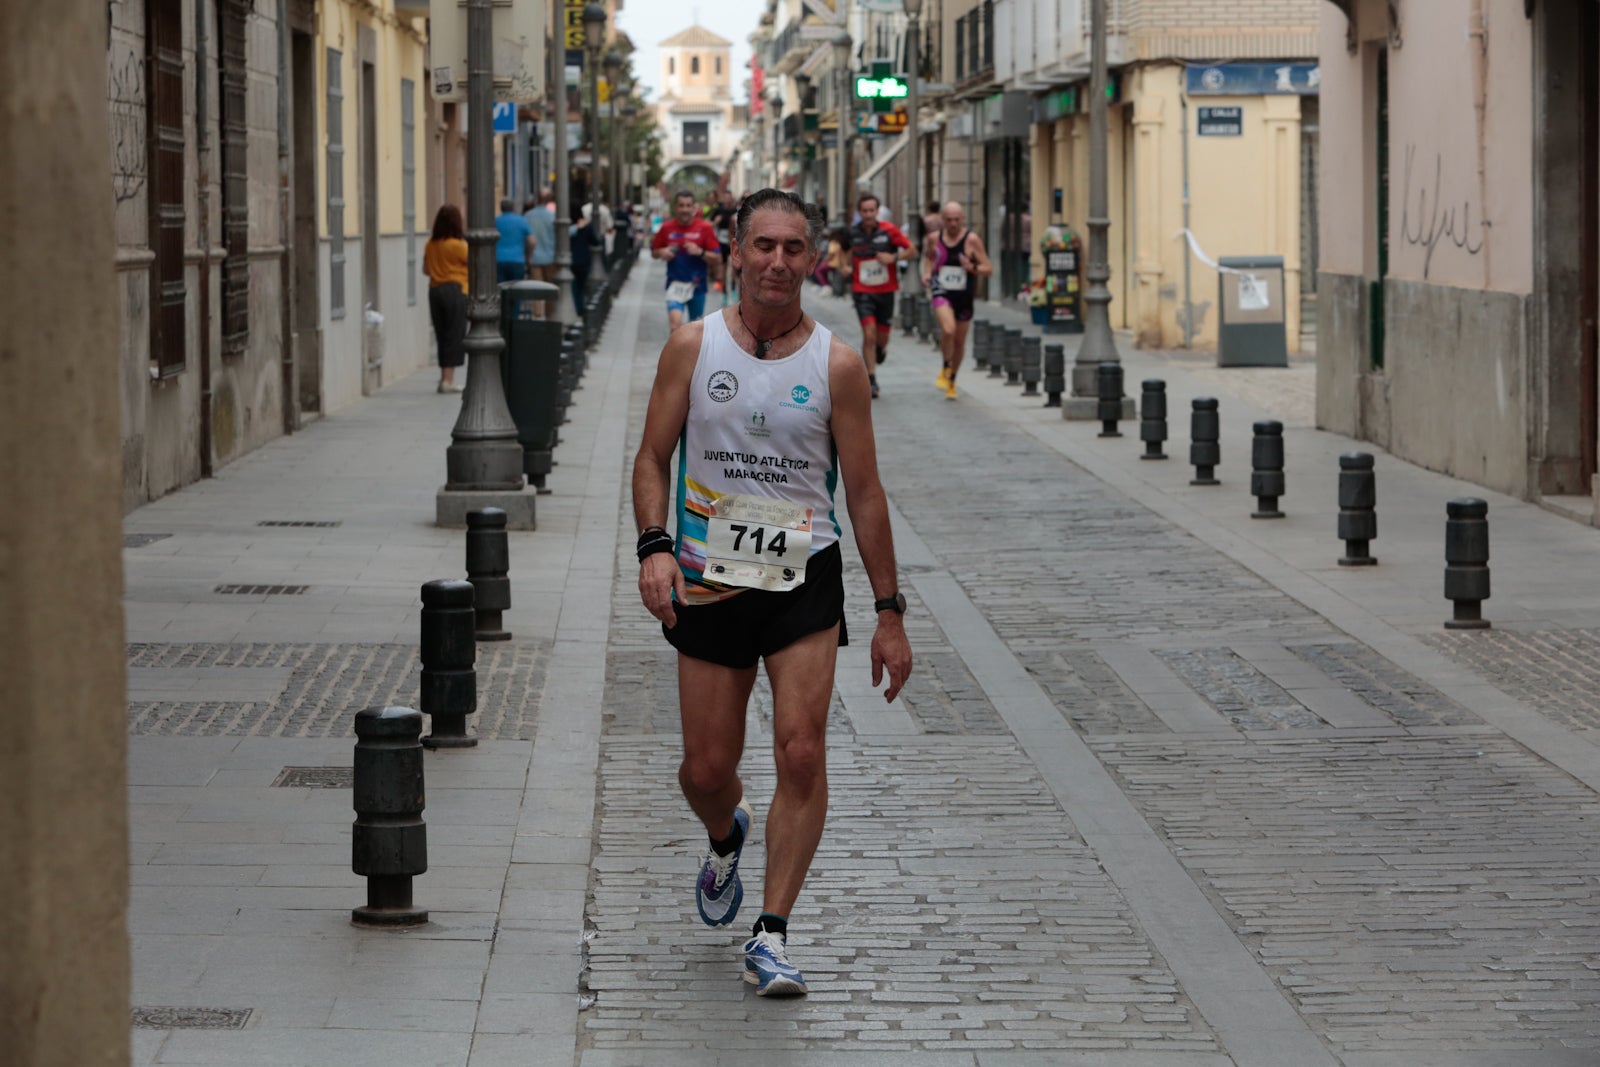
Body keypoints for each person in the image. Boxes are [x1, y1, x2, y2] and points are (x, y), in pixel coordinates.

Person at [632, 187, 913, 998]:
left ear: (813, 260)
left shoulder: (836, 365)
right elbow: (652, 457)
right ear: (736, 253)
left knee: (801, 748)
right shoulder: (692, 348)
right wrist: (654, 547)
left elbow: (863, 492)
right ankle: (727, 832)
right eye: (764, 245)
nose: (778, 262)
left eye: (794, 248)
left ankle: (772, 931)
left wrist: (890, 611)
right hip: (710, 576)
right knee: (705, 766)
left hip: (804, 573)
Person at [922, 201, 994, 400]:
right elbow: (929, 259)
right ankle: (945, 365)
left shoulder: (972, 240)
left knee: (960, 341)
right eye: (948, 220)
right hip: (941, 291)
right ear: (942, 220)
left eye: (956, 220)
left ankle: (952, 379)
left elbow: (988, 268)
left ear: (963, 219)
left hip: (964, 294)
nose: (953, 224)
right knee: (948, 330)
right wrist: (927, 274)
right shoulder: (933, 239)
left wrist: (972, 267)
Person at [847, 194, 915, 399]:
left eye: (871, 210)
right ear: (859, 213)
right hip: (862, 291)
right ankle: (871, 379)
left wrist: (893, 257)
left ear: (877, 212)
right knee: (869, 334)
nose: (868, 214)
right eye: (864, 211)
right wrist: (843, 266)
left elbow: (912, 250)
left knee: (881, 339)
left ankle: (880, 350)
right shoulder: (852, 233)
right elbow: (841, 253)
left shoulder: (889, 231)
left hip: (886, 291)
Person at [651, 189, 723, 330]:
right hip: (675, 284)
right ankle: (676, 351)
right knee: (675, 325)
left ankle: (690, 352)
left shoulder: (704, 228)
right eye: (681, 205)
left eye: (688, 205)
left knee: (694, 330)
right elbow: (654, 252)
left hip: (697, 286)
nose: (685, 209)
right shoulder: (666, 228)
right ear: (675, 207)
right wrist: (662, 252)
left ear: (694, 207)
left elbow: (718, 259)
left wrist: (700, 252)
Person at [423, 204, 469, 394]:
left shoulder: (431, 244)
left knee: (441, 334)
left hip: (435, 290)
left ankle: (444, 378)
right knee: (454, 334)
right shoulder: (459, 246)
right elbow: (474, 264)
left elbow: (425, 270)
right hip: (456, 289)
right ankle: (448, 380)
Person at [523, 189, 557, 318]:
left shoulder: (528, 216)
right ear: (547, 201)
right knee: (550, 287)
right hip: (550, 256)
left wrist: (527, 255)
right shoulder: (552, 216)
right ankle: (549, 314)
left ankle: (537, 314)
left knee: (536, 287)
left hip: (534, 258)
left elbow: (526, 238)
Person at [569, 204, 603, 317]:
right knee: (581, 287)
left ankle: (575, 308)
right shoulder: (587, 226)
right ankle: (580, 308)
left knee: (574, 287)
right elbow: (595, 241)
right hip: (584, 260)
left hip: (571, 260)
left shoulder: (568, 226)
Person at [494, 198, 533, 284]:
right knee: (517, 290)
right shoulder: (521, 221)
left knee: (501, 289)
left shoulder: (495, 221)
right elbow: (532, 241)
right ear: (513, 208)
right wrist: (528, 257)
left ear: (501, 208)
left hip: (499, 260)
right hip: (517, 260)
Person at [709, 192, 739, 300]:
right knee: (724, 267)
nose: (727, 200)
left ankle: (733, 289)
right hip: (721, 241)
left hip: (733, 240)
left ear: (732, 199)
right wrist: (716, 221)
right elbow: (709, 225)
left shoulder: (736, 211)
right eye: (725, 198)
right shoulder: (719, 210)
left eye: (729, 198)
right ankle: (724, 293)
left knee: (734, 265)